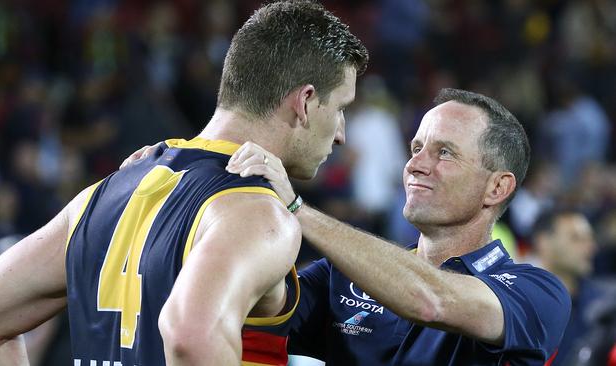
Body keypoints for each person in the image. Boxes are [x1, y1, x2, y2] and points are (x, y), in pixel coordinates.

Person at [0, 2, 368, 365]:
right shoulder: (258, 213)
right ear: (305, 100)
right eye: (340, 109)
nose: (341, 135)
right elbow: (191, 338)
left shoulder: (106, 192)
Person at [225, 88, 572, 365]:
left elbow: (431, 300)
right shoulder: (342, 275)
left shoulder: (538, 293)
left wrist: (298, 210)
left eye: (445, 153)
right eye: (416, 148)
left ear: (497, 187)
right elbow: (258, 304)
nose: (415, 165)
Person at [531, 209, 613, 365]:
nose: (591, 247)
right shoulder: (519, 302)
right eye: (576, 238)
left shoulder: (605, 305)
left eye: (590, 238)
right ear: (544, 242)